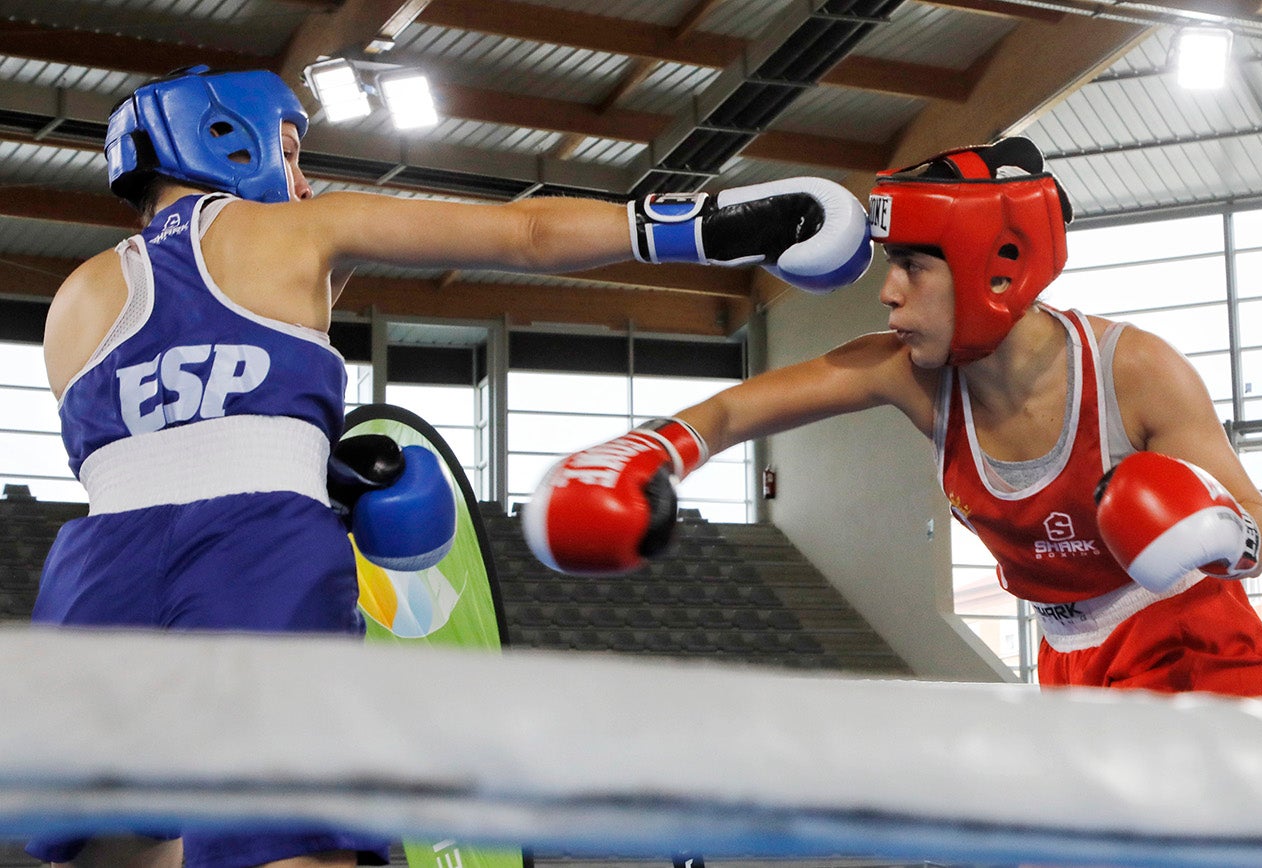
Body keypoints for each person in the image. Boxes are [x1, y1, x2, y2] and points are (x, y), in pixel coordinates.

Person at [29, 65, 871, 868]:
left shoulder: (74, 299)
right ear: (228, 138)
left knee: (116, 849)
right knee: (288, 837)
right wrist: (722, 224)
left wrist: (309, 466)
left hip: (92, 579)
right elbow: (526, 235)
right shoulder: (294, 231)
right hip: (253, 556)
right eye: (289, 152)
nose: (304, 181)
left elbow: (164, 452)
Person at [524, 135, 1262, 700]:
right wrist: (647, 450)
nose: (888, 292)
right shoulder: (911, 375)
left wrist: (1215, 533)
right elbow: (729, 411)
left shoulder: (1133, 370)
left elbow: (1258, 529)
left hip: (1192, 642)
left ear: (996, 267)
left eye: (912, 266)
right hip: (1063, 652)